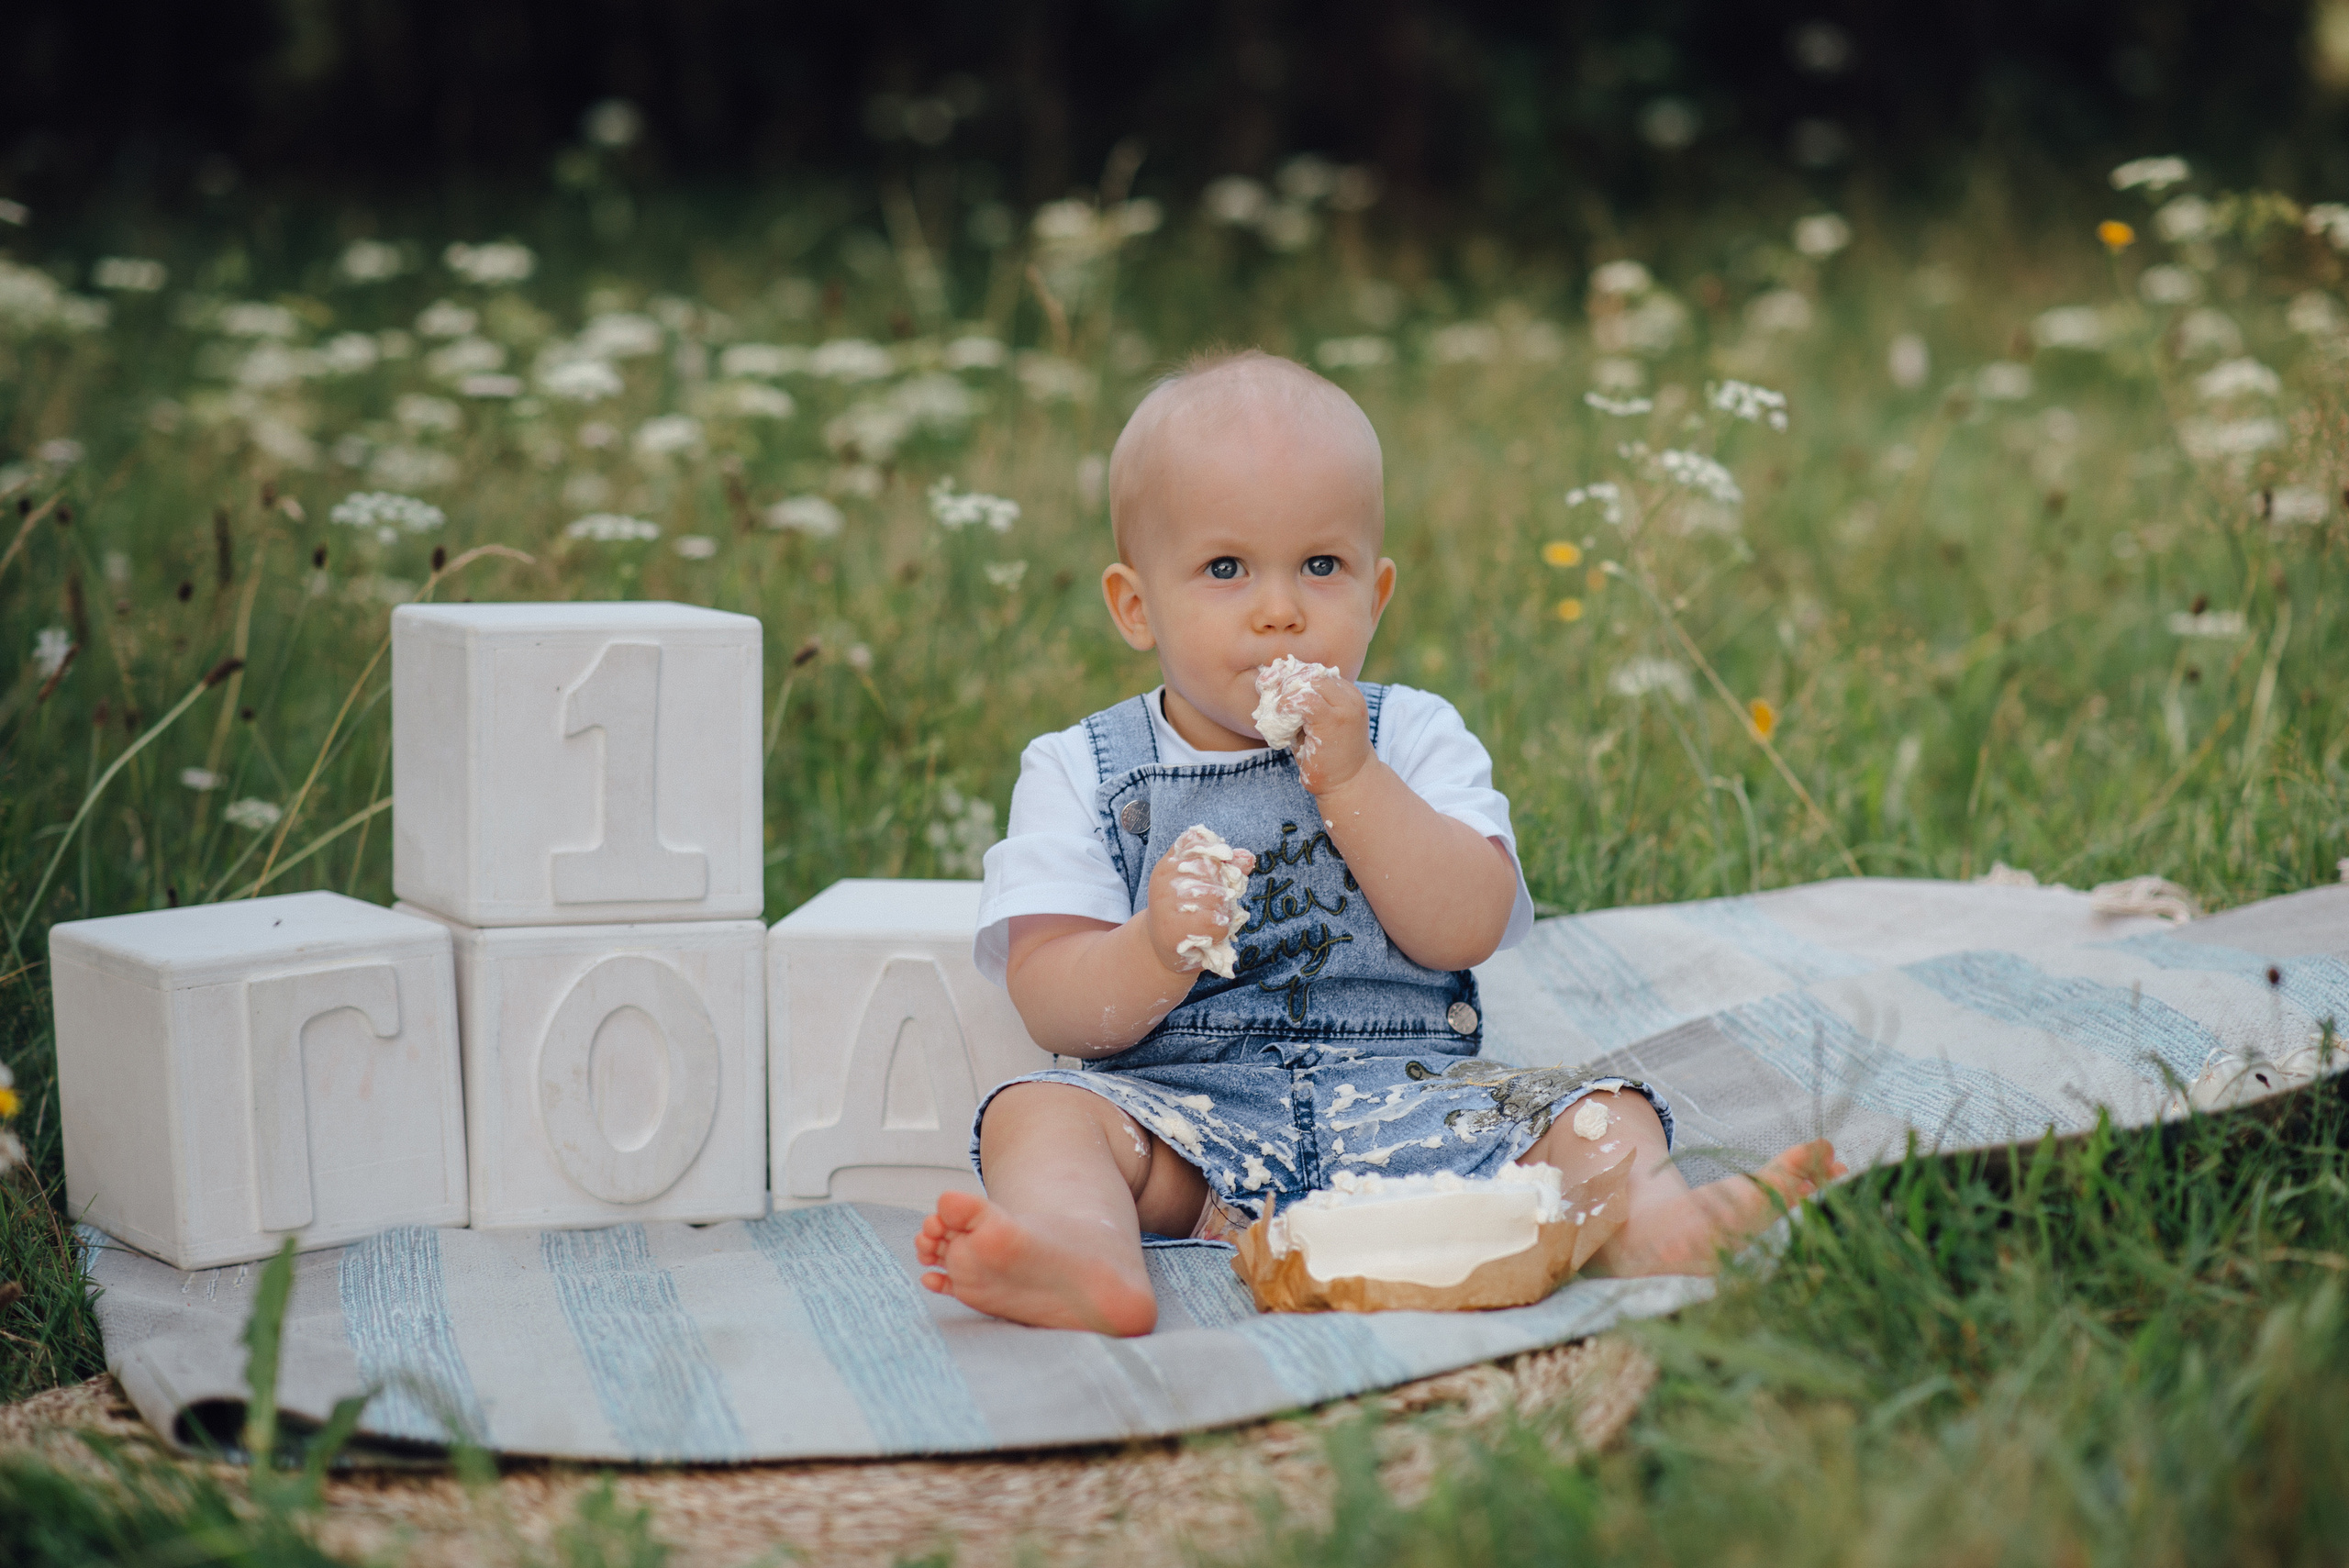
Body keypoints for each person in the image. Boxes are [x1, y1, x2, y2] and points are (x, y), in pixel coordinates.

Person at [916, 349, 1842, 1335]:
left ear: (1377, 593)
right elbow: (1052, 996)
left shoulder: (1411, 734)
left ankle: (1657, 1225)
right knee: (1038, 1112)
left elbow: (1466, 925)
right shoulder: (1081, 767)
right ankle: (1077, 1252)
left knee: (1603, 1110)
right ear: (1136, 606)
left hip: (1419, 1108)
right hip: (1189, 1128)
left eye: (1322, 566)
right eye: (1226, 569)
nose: (1281, 610)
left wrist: (1355, 780)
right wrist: (1152, 946)